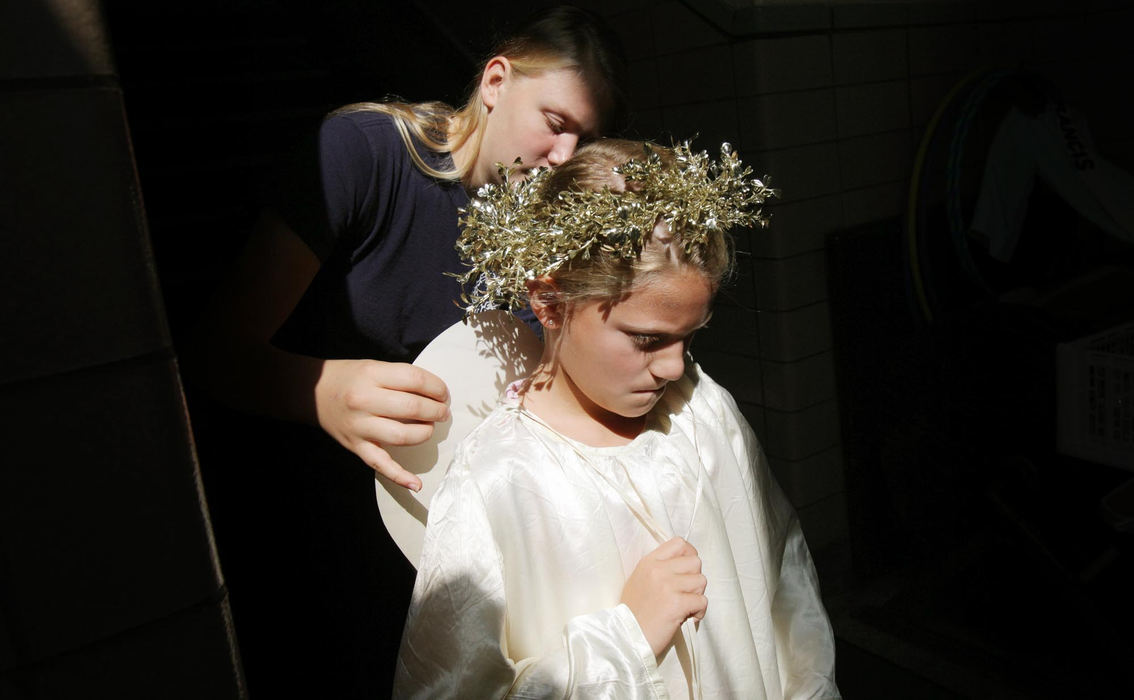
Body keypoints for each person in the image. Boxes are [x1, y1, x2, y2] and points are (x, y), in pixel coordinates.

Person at [188, 7, 628, 698]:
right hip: (324, 539)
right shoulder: (364, 153)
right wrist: (323, 390)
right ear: (495, 79)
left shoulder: (548, 221)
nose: (565, 158)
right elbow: (212, 356)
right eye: (555, 121)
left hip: (460, 549)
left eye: (587, 137)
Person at [394, 140, 841, 698]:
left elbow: (785, 581)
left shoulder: (703, 412)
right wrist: (625, 636)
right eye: (647, 339)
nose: (675, 366)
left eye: (690, 337)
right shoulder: (499, 481)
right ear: (550, 303)